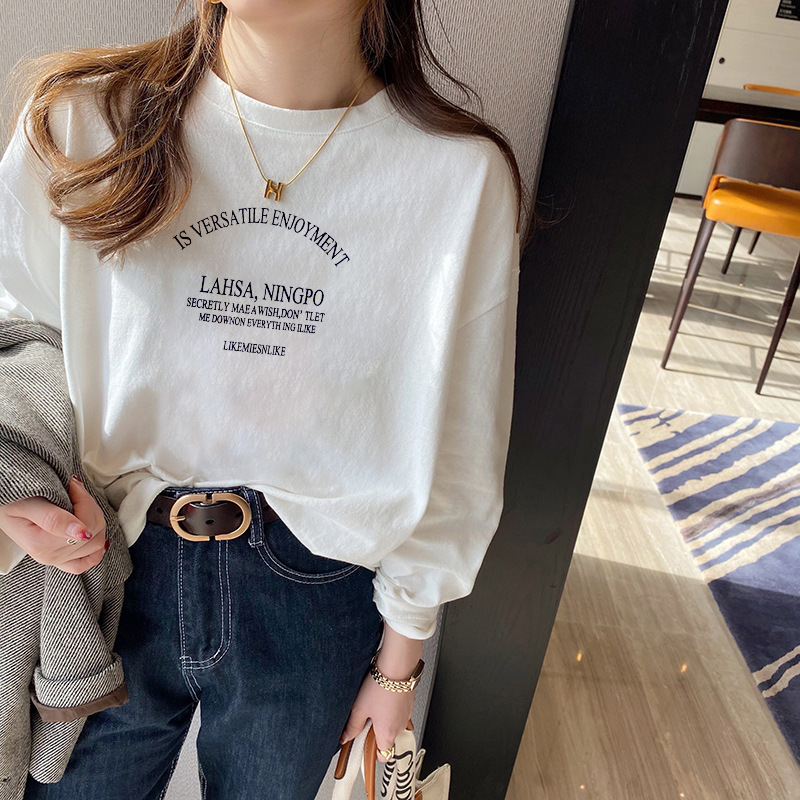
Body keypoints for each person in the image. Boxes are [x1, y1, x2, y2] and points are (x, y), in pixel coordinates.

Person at [0, 0, 526, 798]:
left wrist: (400, 661)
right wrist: (14, 485)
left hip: (315, 586)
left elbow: (459, 435)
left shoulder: (456, 176)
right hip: (106, 564)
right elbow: (17, 333)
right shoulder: (84, 121)